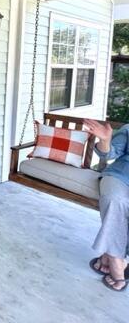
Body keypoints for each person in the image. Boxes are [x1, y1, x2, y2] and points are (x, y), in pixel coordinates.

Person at [83, 119, 129, 292]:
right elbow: (108, 154)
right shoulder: (128, 130)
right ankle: (117, 261)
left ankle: (108, 255)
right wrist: (105, 140)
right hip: (119, 177)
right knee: (114, 200)